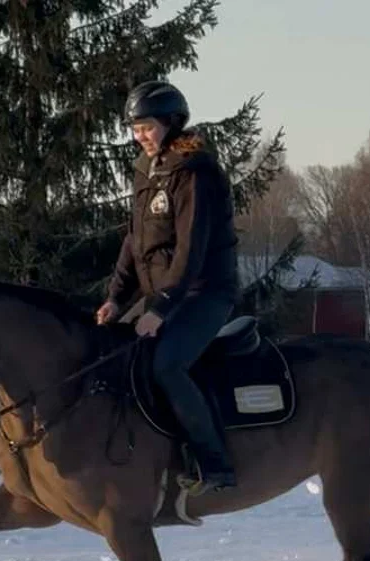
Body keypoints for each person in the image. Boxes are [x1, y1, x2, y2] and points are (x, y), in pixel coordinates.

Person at [96, 80, 240, 494]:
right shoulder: (148, 170)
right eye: (135, 128)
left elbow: (191, 250)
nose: (139, 136)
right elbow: (135, 241)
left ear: (172, 124)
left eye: (147, 127)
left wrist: (158, 309)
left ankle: (214, 464)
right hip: (164, 295)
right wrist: (116, 300)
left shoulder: (195, 172)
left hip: (204, 294)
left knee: (167, 366)